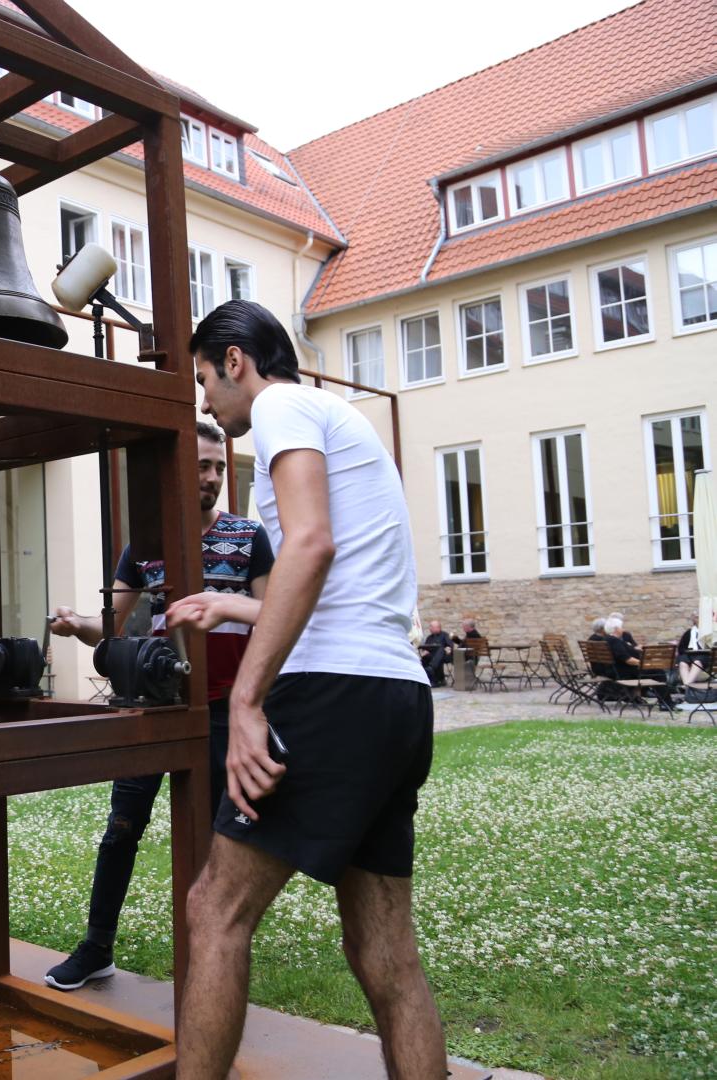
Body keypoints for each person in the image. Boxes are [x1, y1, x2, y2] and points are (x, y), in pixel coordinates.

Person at [163, 300, 444, 1079]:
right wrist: (232, 604)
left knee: (214, 911)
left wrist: (247, 703)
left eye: (203, 380)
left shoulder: (283, 403)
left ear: (234, 360)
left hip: (333, 694)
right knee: (386, 955)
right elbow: (332, 586)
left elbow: (311, 543)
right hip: (395, 696)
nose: (205, 402)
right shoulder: (336, 413)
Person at [43, 421, 274, 990]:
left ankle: (210, 960)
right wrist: (78, 626)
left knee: (218, 840)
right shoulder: (144, 547)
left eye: (219, 466)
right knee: (121, 830)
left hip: (223, 712)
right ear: (175, 470)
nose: (213, 477)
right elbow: (110, 627)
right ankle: (96, 947)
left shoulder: (248, 538)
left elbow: (276, 619)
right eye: (201, 465)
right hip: (155, 707)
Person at [677, 614, 712, 688]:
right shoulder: (689, 633)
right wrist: (688, 651)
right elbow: (681, 648)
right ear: (694, 620)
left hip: (705, 656)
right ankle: (687, 685)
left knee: (697, 662)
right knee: (683, 662)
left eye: (699, 617)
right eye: (696, 618)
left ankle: (686, 686)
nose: (697, 619)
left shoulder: (710, 632)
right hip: (690, 656)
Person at [417, 620, 452, 687]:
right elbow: (426, 647)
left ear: (438, 627)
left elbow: (450, 646)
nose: (430, 628)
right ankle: (429, 679)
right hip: (432, 657)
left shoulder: (445, 635)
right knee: (425, 657)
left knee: (441, 649)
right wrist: (425, 651)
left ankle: (434, 674)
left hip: (444, 656)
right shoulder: (429, 637)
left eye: (431, 627)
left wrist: (448, 648)